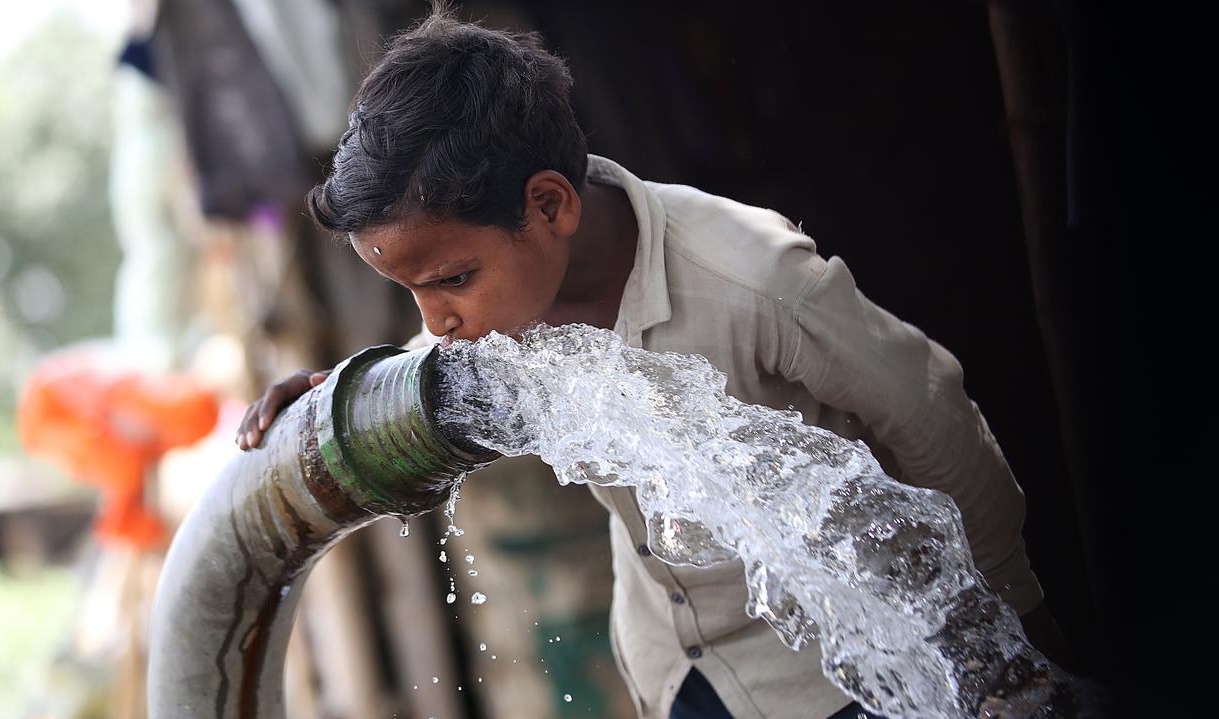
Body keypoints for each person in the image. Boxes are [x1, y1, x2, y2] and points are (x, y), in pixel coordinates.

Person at [234, 8, 1071, 718]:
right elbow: (432, 357)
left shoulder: (753, 279)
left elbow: (931, 414)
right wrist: (348, 391)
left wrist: (1013, 631)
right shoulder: (504, 311)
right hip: (672, 670)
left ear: (549, 205)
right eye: (412, 292)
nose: (437, 322)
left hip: (825, 674)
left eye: (451, 280)